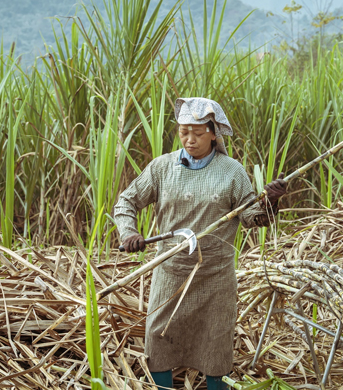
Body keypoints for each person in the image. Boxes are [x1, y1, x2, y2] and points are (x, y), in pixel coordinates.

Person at [114, 97, 287, 390]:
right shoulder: (161, 168)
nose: (189, 139)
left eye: (197, 132)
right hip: (170, 272)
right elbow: (126, 202)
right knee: (158, 338)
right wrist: (128, 232)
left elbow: (251, 218)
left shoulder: (232, 172)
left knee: (215, 341)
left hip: (215, 277)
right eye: (184, 132)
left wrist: (270, 201)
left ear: (213, 132)